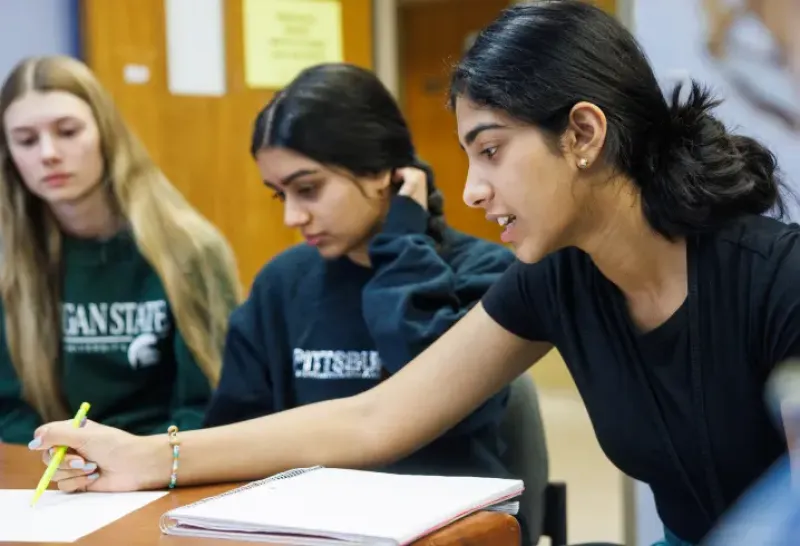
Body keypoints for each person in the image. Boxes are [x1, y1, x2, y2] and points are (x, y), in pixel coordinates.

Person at [25, 2, 800, 544]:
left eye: (491, 149)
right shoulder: (558, 278)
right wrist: (151, 455)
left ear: (584, 134)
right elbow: (378, 417)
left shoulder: (775, 280)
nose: (470, 191)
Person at [202, 62, 519, 484]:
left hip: (441, 524)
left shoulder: (486, 272)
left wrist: (402, 247)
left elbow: (435, 403)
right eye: (281, 195)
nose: (293, 216)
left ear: (381, 172)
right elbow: (230, 436)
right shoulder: (281, 284)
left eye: (309, 189)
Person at [0, 56, 242, 444]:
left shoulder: (191, 249)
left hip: (167, 463)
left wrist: (139, 458)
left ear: (106, 134)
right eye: (26, 140)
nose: (48, 153)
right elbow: (8, 412)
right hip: (57, 474)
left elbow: (211, 404)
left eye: (67, 131)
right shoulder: (11, 263)